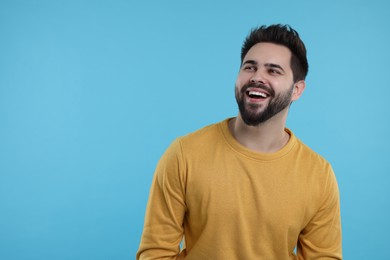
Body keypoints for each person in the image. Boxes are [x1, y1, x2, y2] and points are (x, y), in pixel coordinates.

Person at [136, 24, 342, 259]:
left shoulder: (319, 175)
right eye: (249, 67)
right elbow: (155, 254)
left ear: (297, 90)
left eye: (273, 71)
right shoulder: (184, 154)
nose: (256, 77)